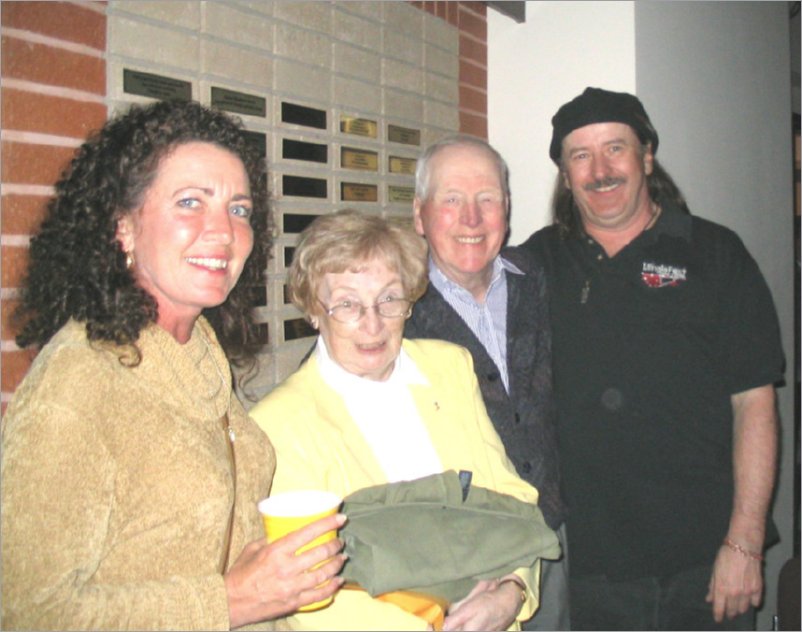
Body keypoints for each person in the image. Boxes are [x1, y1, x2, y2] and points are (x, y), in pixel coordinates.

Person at [1, 100, 346, 630]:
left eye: (239, 209)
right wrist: (229, 602)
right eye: (190, 202)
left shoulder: (200, 354)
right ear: (123, 228)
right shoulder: (78, 382)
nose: (224, 232)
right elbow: (26, 613)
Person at [521, 87, 784, 630]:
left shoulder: (716, 254)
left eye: (615, 148)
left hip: (705, 566)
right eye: (580, 155)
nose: (600, 169)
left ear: (646, 156)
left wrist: (746, 540)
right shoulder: (536, 264)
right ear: (566, 176)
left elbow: (755, 402)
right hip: (585, 571)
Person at [250, 209, 557, 631]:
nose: (373, 323)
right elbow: (309, 594)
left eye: (389, 298)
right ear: (313, 311)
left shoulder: (449, 367)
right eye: (347, 304)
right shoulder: (278, 423)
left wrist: (511, 591)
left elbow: (511, 498)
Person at [404, 134, 569, 630]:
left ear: (507, 208)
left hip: (552, 542)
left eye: (487, 199)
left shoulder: (542, 278)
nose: (471, 218)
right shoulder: (392, 309)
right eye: (451, 200)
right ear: (419, 215)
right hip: (457, 567)